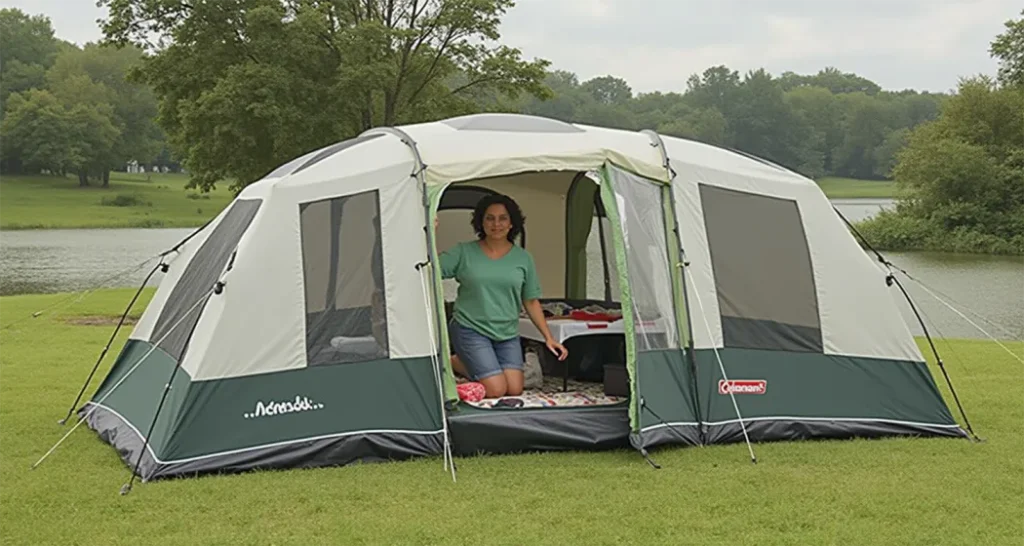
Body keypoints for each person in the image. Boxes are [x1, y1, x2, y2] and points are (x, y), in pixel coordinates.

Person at [436, 193, 568, 398]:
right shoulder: (464, 252)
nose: (496, 224)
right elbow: (430, 267)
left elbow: (530, 300)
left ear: (512, 223)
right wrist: (428, 232)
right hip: (471, 328)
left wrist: (548, 338)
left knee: (514, 389)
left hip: (507, 333)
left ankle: (466, 362)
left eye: (502, 218)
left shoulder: (523, 258)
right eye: (489, 218)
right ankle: (456, 362)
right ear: (481, 222)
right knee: (496, 390)